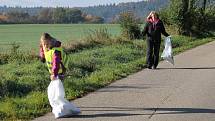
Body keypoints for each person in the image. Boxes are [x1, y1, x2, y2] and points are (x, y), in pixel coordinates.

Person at [39, 33, 81, 118]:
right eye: (44, 44)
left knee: (58, 89)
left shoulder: (56, 50)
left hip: (60, 70)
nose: (45, 46)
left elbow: (56, 63)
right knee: (56, 89)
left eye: (47, 44)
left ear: (51, 42)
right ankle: (60, 102)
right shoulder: (44, 45)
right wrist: (42, 56)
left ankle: (61, 103)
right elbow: (42, 49)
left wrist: (54, 74)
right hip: (53, 71)